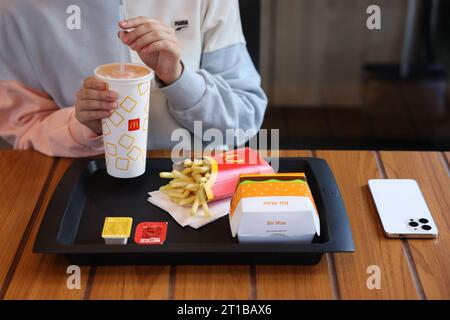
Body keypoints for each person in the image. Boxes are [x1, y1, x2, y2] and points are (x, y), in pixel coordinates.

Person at [0, 0, 267, 157]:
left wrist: (179, 79)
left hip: (202, 179)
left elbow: (244, 117)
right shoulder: (14, 10)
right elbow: (23, 130)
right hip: (78, 182)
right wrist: (80, 126)